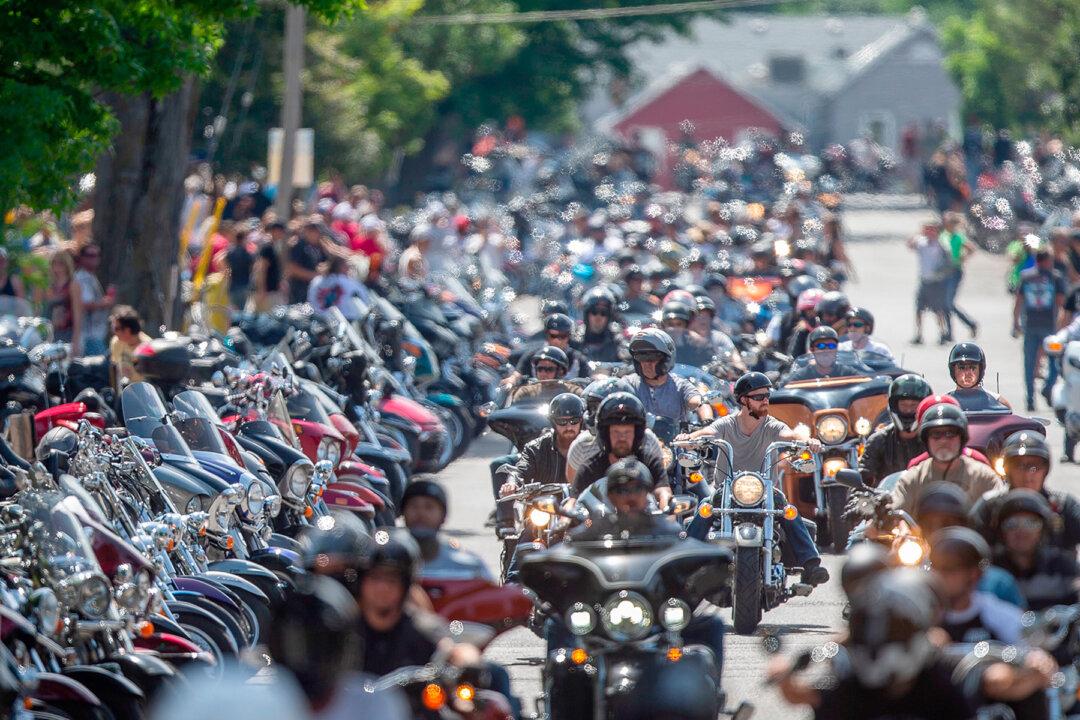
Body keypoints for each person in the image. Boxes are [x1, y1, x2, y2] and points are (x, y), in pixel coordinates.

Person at [769, 568, 1057, 720]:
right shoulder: (850, 683)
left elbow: (998, 679)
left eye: (897, 627)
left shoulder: (940, 681)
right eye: (872, 626)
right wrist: (784, 674)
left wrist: (1033, 669)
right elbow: (805, 695)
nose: (882, 639)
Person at [679, 372, 827, 585]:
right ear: (743, 400)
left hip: (764, 491)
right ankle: (683, 562)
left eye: (767, 396)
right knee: (705, 508)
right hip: (727, 489)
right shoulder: (727, 424)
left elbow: (791, 435)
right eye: (758, 397)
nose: (765, 401)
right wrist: (689, 439)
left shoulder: (772, 425)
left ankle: (811, 565)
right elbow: (708, 432)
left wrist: (808, 440)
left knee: (788, 510)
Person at [356, 528, 519, 717]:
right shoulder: (343, 630)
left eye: (392, 580)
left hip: (415, 713)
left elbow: (450, 647)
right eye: (375, 578)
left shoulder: (419, 627)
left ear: (406, 584)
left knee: (492, 705)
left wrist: (468, 662)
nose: (382, 587)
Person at [915, 482, 1026, 607]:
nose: (937, 531)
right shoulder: (913, 582)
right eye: (928, 525)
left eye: (947, 523)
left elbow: (1020, 624)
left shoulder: (997, 584)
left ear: (966, 526)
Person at [970, 431, 1080, 552]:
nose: (1028, 474)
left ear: (1046, 469)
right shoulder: (990, 507)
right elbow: (967, 548)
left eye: (1035, 467)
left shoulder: (1063, 506)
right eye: (1019, 466)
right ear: (1007, 469)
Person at [889, 402, 1004, 514]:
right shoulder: (912, 479)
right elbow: (895, 515)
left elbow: (1002, 512)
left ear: (962, 438)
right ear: (926, 440)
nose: (943, 441)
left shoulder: (983, 477)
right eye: (936, 434)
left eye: (950, 434)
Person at [572, 392, 671, 508]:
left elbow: (664, 491)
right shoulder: (588, 469)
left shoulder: (650, 463)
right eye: (616, 432)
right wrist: (565, 520)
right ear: (605, 434)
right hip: (599, 525)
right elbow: (574, 501)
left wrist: (667, 511)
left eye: (627, 432)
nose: (622, 438)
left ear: (637, 434)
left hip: (646, 525)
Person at [930, 527, 1024, 643]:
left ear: (975, 574)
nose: (942, 574)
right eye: (936, 566)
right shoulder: (925, 614)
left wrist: (1034, 656)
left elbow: (1028, 646)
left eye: (951, 567)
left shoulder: (993, 613)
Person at [565, 378, 664, 487]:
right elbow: (576, 490)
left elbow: (659, 485)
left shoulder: (648, 441)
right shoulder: (582, 445)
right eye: (595, 408)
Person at [990, 490, 1080, 611]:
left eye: (1031, 523)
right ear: (1001, 532)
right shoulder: (990, 571)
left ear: (1043, 530)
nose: (1021, 531)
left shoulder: (1063, 567)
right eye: (1011, 524)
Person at [401, 478, 494, 582]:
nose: (420, 513)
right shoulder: (385, 562)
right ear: (403, 513)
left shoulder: (470, 566)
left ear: (444, 516)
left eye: (429, 507)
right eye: (414, 506)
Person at [497, 393, 584, 499]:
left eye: (574, 421)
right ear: (553, 422)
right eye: (562, 421)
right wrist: (512, 483)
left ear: (582, 420)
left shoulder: (590, 446)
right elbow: (521, 470)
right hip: (543, 507)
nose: (569, 426)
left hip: (580, 505)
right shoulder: (535, 448)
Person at [1013, 247, 1066, 410]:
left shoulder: (1026, 276)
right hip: (1049, 328)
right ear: (1047, 260)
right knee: (1054, 362)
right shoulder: (1055, 277)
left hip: (1030, 325)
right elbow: (1060, 302)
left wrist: (1015, 322)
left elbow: (1019, 301)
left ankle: (1030, 398)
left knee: (1029, 364)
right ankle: (1048, 387)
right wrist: (1060, 325)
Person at [623, 328, 712, 424]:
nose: (646, 363)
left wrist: (707, 421)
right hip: (640, 438)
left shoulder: (680, 385)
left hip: (678, 438)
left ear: (666, 359)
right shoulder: (628, 384)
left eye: (652, 357)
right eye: (640, 357)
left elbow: (699, 402)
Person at [858, 374, 933, 486]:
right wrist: (860, 499)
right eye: (903, 405)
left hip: (929, 500)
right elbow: (862, 479)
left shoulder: (934, 440)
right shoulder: (878, 440)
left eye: (913, 405)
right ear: (894, 406)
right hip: (887, 501)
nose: (908, 410)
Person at [506, 314, 591, 384]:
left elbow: (588, 380)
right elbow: (518, 374)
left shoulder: (578, 360)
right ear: (546, 334)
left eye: (563, 336)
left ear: (569, 337)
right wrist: (512, 380)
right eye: (553, 336)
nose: (558, 340)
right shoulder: (532, 355)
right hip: (536, 402)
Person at [907, 221, 950, 345]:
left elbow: (949, 260)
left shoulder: (942, 244)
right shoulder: (922, 242)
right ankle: (919, 334)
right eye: (927, 229)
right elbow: (910, 245)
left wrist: (942, 272)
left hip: (936, 282)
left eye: (932, 230)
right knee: (919, 309)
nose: (929, 232)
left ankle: (942, 333)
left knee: (938, 310)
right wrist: (919, 232)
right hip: (924, 280)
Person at [940, 211, 979, 341]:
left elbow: (972, 248)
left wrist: (963, 257)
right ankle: (948, 333)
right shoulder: (943, 235)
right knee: (944, 303)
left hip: (955, 271)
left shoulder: (958, 236)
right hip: (944, 271)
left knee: (949, 303)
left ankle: (970, 323)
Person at [946, 341, 1012, 411]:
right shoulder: (944, 403)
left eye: (973, 368)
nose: (968, 373)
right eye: (962, 368)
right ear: (953, 371)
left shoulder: (999, 402)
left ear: (980, 370)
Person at [783, 326, 865, 382]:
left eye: (831, 345)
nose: (826, 350)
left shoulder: (847, 372)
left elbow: (865, 385)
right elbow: (782, 389)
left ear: (836, 349)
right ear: (812, 349)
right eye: (821, 346)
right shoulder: (801, 375)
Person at [73, 244, 114, 355]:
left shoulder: (90, 276)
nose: (95, 258)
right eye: (90, 255)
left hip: (96, 335)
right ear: (81, 258)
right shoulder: (82, 277)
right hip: (89, 336)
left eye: (97, 255)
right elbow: (85, 304)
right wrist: (105, 302)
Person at [45, 249, 82, 354]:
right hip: (53, 332)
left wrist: (76, 341)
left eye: (60, 264)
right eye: (54, 263)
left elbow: (77, 315)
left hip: (68, 332)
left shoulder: (73, 285)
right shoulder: (51, 286)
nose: (57, 267)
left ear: (67, 265)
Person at [288, 219, 330, 304]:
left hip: (314, 290)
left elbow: (325, 263)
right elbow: (292, 269)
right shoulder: (299, 245)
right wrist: (314, 276)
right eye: (313, 231)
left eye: (318, 231)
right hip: (299, 290)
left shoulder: (320, 247)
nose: (317, 234)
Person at [109, 305, 152, 388]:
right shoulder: (116, 342)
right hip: (124, 390)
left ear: (127, 330)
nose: (114, 332)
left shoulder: (148, 346)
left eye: (117, 328)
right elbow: (114, 369)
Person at [577, 287, 623, 362]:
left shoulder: (617, 340)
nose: (598, 317)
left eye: (604, 313)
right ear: (586, 314)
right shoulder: (575, 338)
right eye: (594, 311)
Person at [224, 226, 253, 312]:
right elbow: (252, 267)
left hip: (232, 284)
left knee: (233, 310)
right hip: (244, 284)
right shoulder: (246, 253)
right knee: (242, 310)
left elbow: (219, 259)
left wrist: (227, 273)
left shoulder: (230, 251)